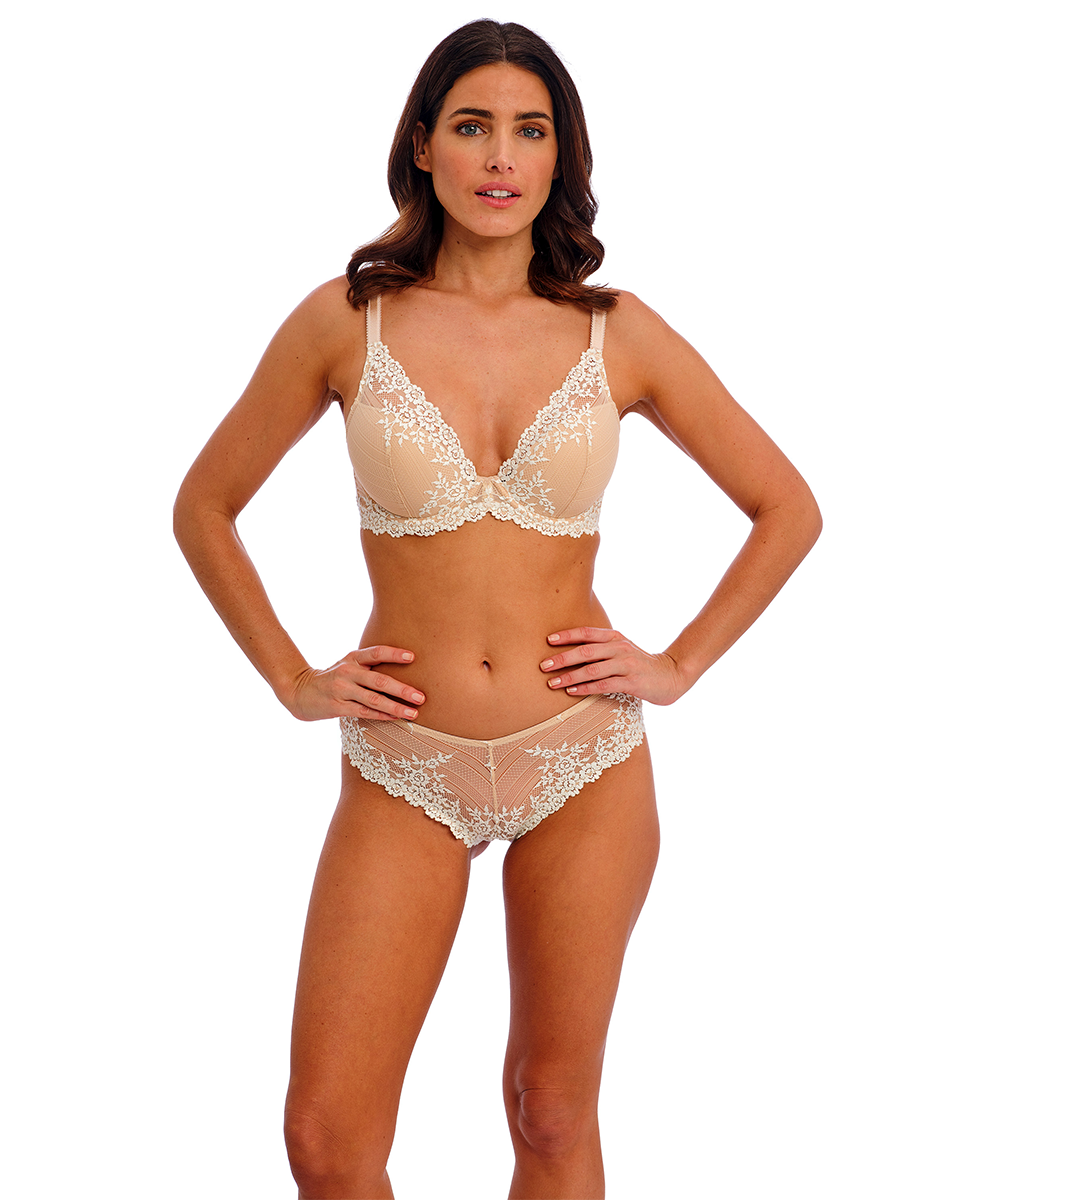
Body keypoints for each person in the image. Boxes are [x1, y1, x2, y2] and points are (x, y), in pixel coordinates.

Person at [173, 18, 821, 1200]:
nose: (501, 157)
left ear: (561, 156)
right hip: (402, 762)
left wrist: (676, 664)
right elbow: (205, 506)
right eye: (473, 126)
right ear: (423, 145)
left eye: (531, 130)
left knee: (551, 1111)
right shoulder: (347, 320)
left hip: (584, 759)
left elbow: (787, 507)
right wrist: (292, 678)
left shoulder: (614, 331)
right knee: (327, 1140)